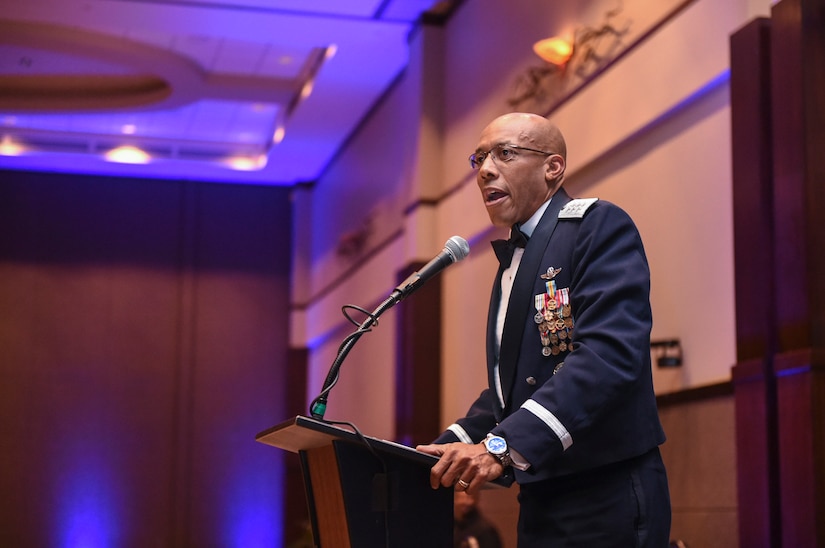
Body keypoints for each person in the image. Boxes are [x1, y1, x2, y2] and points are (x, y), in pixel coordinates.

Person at [416, 112, 671, 547]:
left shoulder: (595, 226)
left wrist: (499, 447)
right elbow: (515, 386)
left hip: (604, 493)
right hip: (541, 498)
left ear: (553, 167)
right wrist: (445, 447)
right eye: (479, 158)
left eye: (505, 153)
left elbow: (607, 358)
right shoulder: (518, 256)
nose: (485, 170)